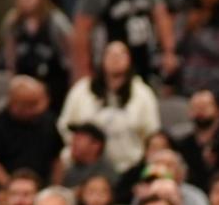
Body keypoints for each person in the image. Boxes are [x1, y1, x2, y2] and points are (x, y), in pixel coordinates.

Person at [57, 41, 160, 172]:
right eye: (110, 54)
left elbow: (152, 132)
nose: (115, 59)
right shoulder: (82, 89)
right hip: (85, 166)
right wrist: (79, 148)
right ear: (102, 59)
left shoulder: (143, 93)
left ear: (129, 60)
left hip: (129, 166)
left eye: (121, 54)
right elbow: (65, 125)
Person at [0, 77, 66, 203]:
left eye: (38, 102)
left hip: (41, 194)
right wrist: (14, 189)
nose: (39, 108)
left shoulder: (47, 121)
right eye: (31, 104)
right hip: (4, 195)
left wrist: (55, 188)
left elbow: (56, 159)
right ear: (14, 103)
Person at [3, 0, 74, 100]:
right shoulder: (13, 23)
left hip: (54, 86)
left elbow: (71, 54)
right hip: (24, 86)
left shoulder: (56, 21)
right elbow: (11, 58)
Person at [59, 122, 118, 190]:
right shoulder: (72, 168)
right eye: (74, 138)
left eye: (79, 139)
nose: (73, 143)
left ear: (96, 145)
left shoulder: (105, 173)